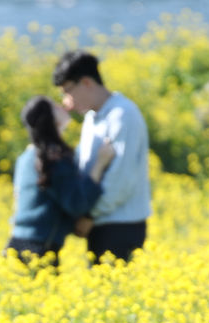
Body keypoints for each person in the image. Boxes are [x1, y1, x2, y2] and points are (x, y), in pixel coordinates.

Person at [53, 50, 151, 262]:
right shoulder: (92, 117)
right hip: (100, 223)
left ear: (87, 83)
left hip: (120, 225)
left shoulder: (122, 115)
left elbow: (121, 180)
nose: (66, 102)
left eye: (67, 92)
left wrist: (89, 216)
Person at [6, 95, 115, 264]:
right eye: (54, 106)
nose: (61, 106)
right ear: (50, 119)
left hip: (15, 246)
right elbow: (77, 203)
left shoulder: (27, 156)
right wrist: (99, 165)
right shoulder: (53, 159)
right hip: (39, 250)